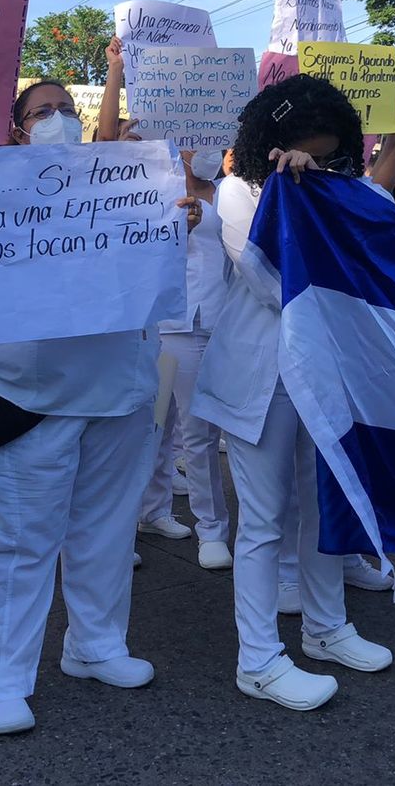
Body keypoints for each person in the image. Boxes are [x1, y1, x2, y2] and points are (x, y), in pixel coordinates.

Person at [0, 80, 199, 736]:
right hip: (24, 395)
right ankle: (1, 680)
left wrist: (175, 222)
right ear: (16, 130)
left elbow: (149, 269)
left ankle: (95, 645)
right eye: (43, 112)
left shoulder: (120, 186)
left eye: (67, 109)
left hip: (119, 388)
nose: (58, 119)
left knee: (107, 530)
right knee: (23, 542)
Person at [192, 74, 395, 713]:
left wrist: (327, 185)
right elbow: (276, 283)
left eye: (335, 156)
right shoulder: (239, 192)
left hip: (326, 374)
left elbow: (383, 251)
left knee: (322, 505)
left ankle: (326, 627)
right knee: (262, 520)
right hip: (261, 379)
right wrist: (293, 191)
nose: (327, 165)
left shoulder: (350, 189)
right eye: (315, 154)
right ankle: (257, 660)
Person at [139, 145, 234, 567]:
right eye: (197, 141)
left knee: (197, 429)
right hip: (178, 322)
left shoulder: (232, 189)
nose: (208, 149)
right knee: (177, 428)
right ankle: (208, 529)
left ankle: (156, 511)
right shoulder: (159, 189)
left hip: (227, 319)